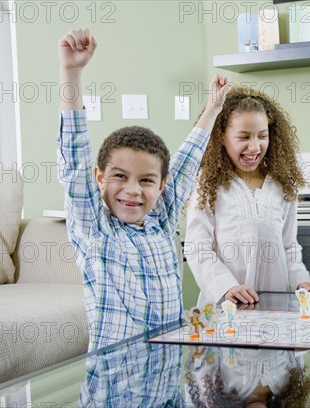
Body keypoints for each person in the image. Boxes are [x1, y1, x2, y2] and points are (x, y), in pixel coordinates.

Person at [56, 28, 229, 350]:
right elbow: (73, 160)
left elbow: (186, 163)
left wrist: (213, 109)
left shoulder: (162, 224)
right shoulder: (95, 230)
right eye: (119, 176)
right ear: (98, 177)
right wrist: (72, 72)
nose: (132, 190)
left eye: (146, 180)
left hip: (165, 379)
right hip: (113, 386)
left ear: (161, 186)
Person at [185, 86, 310, 305]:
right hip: (226, 311)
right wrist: (227, 286)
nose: (254, 146)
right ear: (221, 137)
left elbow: (288, 247)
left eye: (262, 136)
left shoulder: (283, 185)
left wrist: (301, 282)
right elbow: (197, 248)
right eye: (243, 136)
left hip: (276, 311)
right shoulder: (208, 184)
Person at [185, 347, 310, 408]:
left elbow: (204, 351)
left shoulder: (216, 396)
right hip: (276, 308)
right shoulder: (287, 390)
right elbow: (297, 350)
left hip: (233, 305)